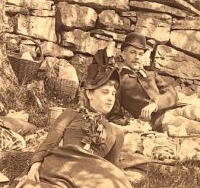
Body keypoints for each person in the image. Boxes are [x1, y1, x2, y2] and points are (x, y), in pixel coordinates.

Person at [14, 48, 132, 188]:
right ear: (89, 94)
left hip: (88, 177)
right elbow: (50, 142)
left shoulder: (116, 132)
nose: (110, 98)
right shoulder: (71, 114)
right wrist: (35, 164)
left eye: (113, 94)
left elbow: (109, 166)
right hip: (62, 166)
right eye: (105, 92)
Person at [108, 32, 200, 135]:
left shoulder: (151, 75)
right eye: (133, 52)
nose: (137, 57)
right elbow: (114, 116)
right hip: (160, 119)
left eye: (140, 54)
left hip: (177, 107)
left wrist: (155, 104)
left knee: (197, 111)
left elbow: (172, 93)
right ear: (124, 55)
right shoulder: (119, 80)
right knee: (194, 127)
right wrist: (132, 123)